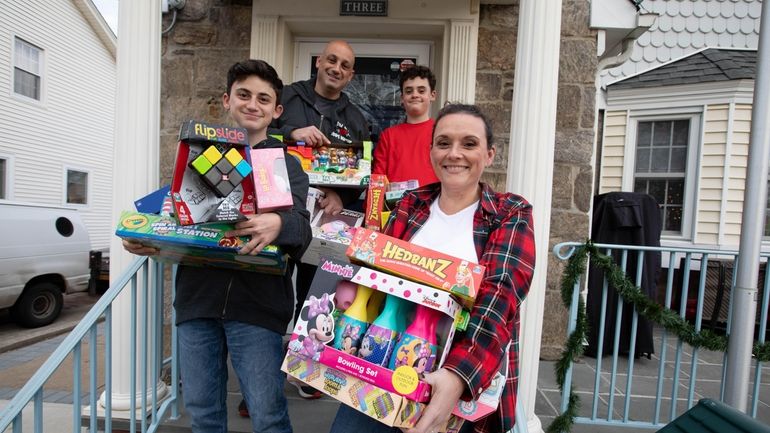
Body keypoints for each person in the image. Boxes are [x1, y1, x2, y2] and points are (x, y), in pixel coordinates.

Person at [123, 59, 311, 433]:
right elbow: (173, 217)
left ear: (276, 111)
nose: (251, 104)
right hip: (198, 301)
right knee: (204, 414)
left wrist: (279, 221)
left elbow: (303, 230)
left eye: (263, 98)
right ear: (227, 100)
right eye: (243, 95)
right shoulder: (197, 156)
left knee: (269, 414)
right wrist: (149, 238)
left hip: (258, 308)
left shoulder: (285, 166)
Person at [328, 104, 536, 433]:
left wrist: (457, 376)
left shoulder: (509, 213)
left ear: (490, 154)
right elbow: (378, 280)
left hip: (457, 388)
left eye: (469, 144)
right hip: (381, 367)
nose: (455, 154)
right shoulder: (411, 204)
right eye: (443, 143)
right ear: (431, 151)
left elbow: (501, 295)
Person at [270, 40, 371, 399]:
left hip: (325, 221)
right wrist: (289, 134)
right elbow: (254, 134)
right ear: (318, 62)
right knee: (271, 296)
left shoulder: (356, 119)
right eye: (332, 60)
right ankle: (264, 381)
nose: (337, 68)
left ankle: (304, 373)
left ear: (351, 74)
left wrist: (342, 196)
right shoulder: (286, 97)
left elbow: (363, 175)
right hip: (279, 211)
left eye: (345, 65)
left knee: (316, 297)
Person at [372, 65, 439, 186]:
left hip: (433, 203)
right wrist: (372, 205)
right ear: (402, 98)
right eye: (409, 91)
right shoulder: (389, 136)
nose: (415, 95)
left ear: (432, 95)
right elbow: (378, 178)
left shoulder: (442, 132)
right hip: (397, 204)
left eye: (421, 90)